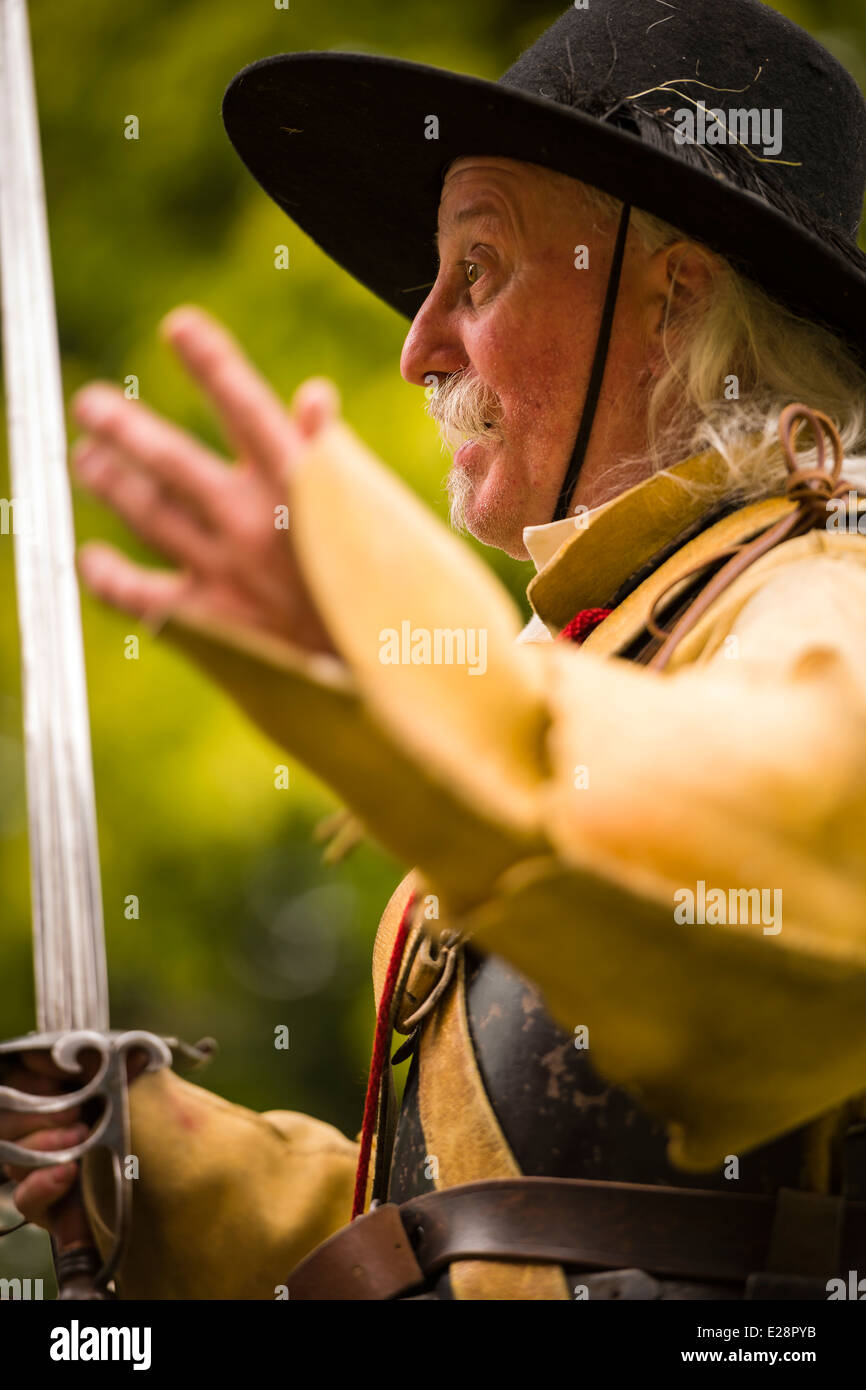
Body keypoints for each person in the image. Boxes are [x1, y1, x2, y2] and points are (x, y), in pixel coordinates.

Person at [5, 0, 866, 1300]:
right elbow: (501, 1236)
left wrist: (405, 665)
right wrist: (172, 1172)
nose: (416, 348)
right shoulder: (612, 646)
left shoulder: (824, 585)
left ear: (672, 297)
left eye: (478, 270)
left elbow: (769, 901)